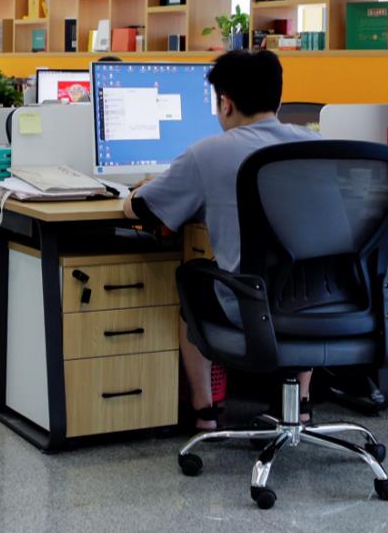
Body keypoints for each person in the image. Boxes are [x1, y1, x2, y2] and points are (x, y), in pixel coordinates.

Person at [121, 49, 317, 430]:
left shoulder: (208, 153)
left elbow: (140, 208)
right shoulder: (316, 145)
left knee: (192, 280)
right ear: (278, 100)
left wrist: (137, 192)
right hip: (322, 302)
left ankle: (205, 413)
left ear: (226, 103)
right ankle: (302, 405)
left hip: (248, 306)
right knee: (300, 277)